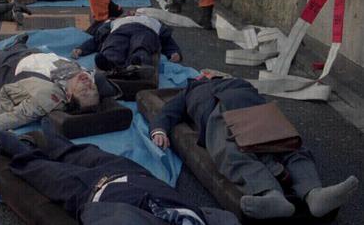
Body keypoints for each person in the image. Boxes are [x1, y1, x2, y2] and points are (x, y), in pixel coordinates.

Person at [150, 77, 360, 220]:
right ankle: (270, 194)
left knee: (287, 142)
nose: (205, 74)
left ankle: (314, 193)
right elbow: (168, 112)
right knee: (229, 148)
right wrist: (159, 130)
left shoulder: (236, 81)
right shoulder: (189, 90)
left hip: (252, 107)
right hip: (217, 110)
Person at [0, 120, 240, 225]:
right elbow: (222, 217)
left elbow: (104, 216)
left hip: (94, 190)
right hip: (136, 175)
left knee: (38, 169)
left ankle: (11, 144)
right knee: (80, 152)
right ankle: (51, 139)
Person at [0, 34, 117, 132]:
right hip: (39, 55)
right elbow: (107, 84)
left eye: (84, 91)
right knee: (21, 48)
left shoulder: (50, 98)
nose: (88, 84)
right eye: (92, 88)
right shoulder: (88, 76)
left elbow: (16, 117)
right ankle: (19, 43)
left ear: (68, 95)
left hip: (15, 66)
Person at [72, 12, 181, 72]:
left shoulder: (152, 21)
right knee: (113, 45)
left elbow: (167, 41)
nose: (133, 12)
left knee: (142, 45)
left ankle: (137, 65)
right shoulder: (116, 21)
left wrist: (174, 52)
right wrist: (81, 49)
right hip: (120, 31)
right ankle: (109, 63)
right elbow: (97, 39)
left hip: (145, 30)